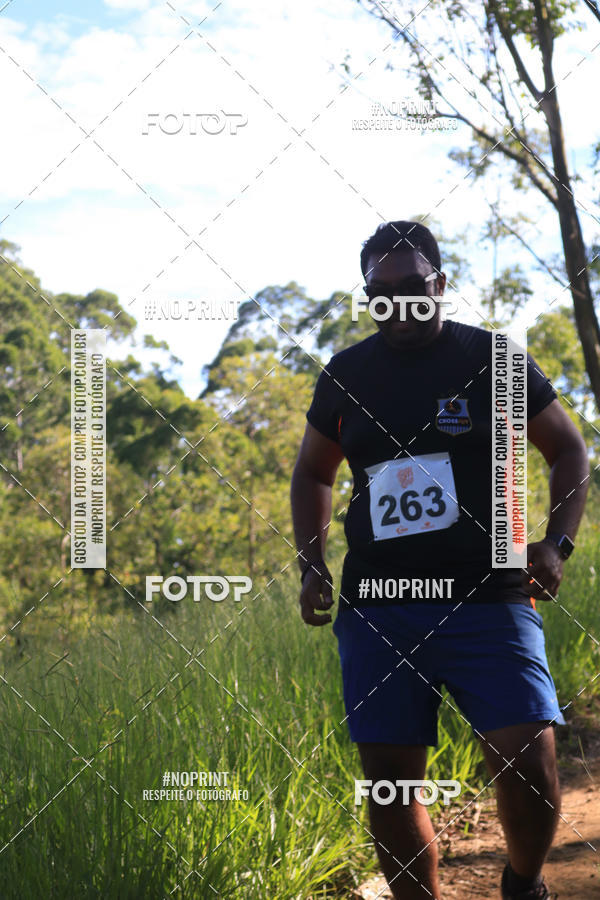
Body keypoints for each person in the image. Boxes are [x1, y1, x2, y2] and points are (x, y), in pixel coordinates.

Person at [290, 221, 589, 900]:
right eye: (382, 293)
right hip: (379, 608)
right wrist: (312, 564)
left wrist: (556, 543)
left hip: (492, 595)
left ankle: (523, 881)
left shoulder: (495, 361)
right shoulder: (346, 375)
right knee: (391, 781)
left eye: (414, 287)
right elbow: (313, 473)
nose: (400, 303)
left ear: (441, 285)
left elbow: (568, 451)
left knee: (528, 760)